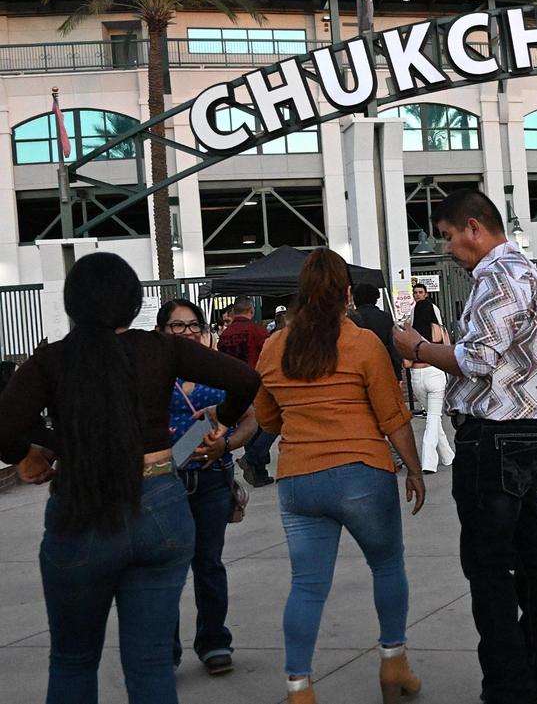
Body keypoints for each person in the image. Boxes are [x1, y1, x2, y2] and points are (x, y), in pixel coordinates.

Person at [0, 252, 259, 704]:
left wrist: (29, 453)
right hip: (160, 501)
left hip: (81, 508)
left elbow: (4, 426)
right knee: (151, 662)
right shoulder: (162, 348)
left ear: (71, 303)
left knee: (73, 659)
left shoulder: (51, 360)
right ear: (133, 302)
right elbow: (245, 379)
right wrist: (221, 417)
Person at [393, 188, 537, 704]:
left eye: (448, 236)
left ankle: (511, 688)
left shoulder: (499, 275)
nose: (446, 248)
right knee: (531, 559)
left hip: (495, 436)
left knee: (490, 568)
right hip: (521, 431)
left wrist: (418, 348)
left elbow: (478, 359)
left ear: (473, 228)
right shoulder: (522, 271)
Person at [254, 248, 426, 704]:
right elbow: (392, 416)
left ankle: (299, 688)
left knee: (307, 584)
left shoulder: (275, 347)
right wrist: (414, 469)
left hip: (299, 480)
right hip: (361, 475)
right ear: (347, 293)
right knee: (387, 565)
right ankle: (393, 665)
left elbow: (268, 418)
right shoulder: (363, 343)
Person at [157, 299, 261, 675]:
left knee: (209, 564)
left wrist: (227, 444)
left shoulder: (219, 372)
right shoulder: (151, 374)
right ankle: (164, 651)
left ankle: (214, 641)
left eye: (192, 326)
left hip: (212, 477)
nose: (186, 333)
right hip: (163, 482)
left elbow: (251, 420)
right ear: (161, 332)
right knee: (165, 569)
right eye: (177, 326)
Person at [220, 297, 275, 487]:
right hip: (257, 385)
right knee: (270, 424)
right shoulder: (258, 331)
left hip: (234, 386)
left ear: (234, 312)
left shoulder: (226, 334)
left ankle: (258, 472)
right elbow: (270, 355)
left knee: (248, 424)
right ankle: (252, 459)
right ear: (251, 311)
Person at [405, 298, 455, 473]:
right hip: (435, 374)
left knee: (432, 417)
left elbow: (406, 363)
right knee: (434, 417)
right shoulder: (440, 331)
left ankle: (448, 456)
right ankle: (428, 461)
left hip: (417, 377)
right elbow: (449, 353)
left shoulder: (411, 335)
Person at [348, 282, 403, 378]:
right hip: (382, 365)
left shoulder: (350, 319)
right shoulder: (385, 317)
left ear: (356, 299)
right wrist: (398, 373)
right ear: (375, 299)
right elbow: (393, 346)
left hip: (357, 368)